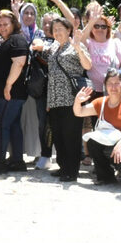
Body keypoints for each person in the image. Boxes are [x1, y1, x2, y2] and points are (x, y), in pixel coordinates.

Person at [34, 17, 92, 182]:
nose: (57, 32)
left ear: (68, 30)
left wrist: (79, 49)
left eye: (61, 28)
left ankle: (72, 171)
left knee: (71, 136)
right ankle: (63, 166)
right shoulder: (53, 47)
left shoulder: (75, 45)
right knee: (58, 135)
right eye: (55, 29)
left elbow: (88, 66)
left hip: (72, 99)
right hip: (54, 100)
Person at [71, 71, 121, 185]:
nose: (113, 87)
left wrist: (120, 145)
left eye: (117, 83)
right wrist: (78, 101)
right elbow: (79, 112)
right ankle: (105, 177)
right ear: (105, 85)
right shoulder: (101, 102)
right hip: (111, 142)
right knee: (92, 142)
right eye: (110, 83)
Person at [0, 9, 29, 173]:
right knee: (13, 126)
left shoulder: (17, 39)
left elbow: (19, 63)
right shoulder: (10, 40)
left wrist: (8, 85)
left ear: (14, 24)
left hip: (10, 93)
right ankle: (17, 160)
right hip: (9, 93)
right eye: (0, 25)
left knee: (3, 124)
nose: (3, 27)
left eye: (6, 24)